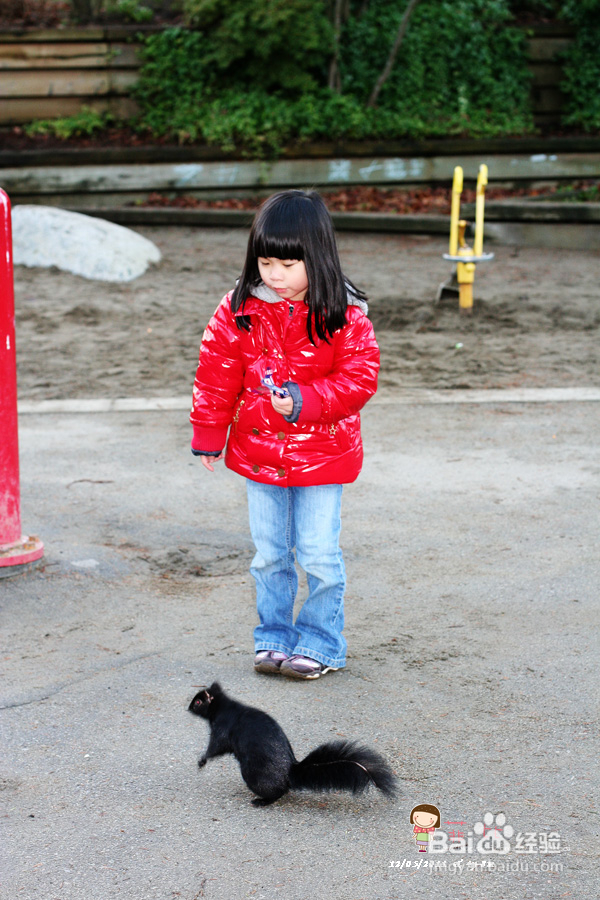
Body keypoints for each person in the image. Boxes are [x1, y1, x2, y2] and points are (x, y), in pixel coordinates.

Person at [190, 189, 380, 680]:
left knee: (318, 552)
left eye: (287, 264)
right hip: (259, 452)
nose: (275, 275)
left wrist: (303, 401)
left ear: (316, 258)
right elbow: (215, 372)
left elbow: (359, 380)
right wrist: (210, 431)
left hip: (322, 454)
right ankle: (273, 637)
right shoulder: (240, 308)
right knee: (270, 553)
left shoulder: (344, 315)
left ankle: (321, 643)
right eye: (266, 261)